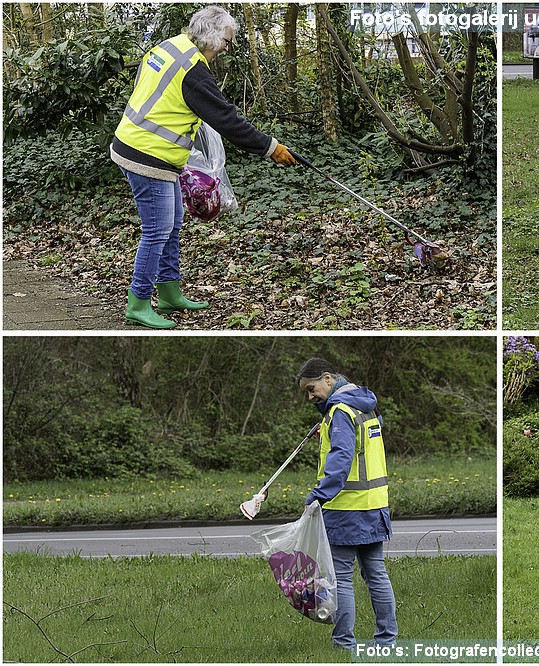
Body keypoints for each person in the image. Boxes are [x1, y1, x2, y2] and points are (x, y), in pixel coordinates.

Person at [111, 5, 297, 329]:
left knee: (173, 223)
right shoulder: (194, 70)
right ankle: (138, 303)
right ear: (211, 36)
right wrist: (270, 147)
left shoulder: (168, 46)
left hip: (146, 148)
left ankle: (169, 292)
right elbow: (226, 119)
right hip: (146, 155)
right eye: (226, 41)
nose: (227, 48)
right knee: (157, 230)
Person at [297, 358, 398, 650]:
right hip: (376, 505)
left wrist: (318, 496)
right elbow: (362, 448)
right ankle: (387, 642)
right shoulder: (363, 405)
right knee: (376, 574)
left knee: (341, 579)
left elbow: (341, 461)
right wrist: (328, 428)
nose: (310, 396)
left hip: (345, 509)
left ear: (328, 379)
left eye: (312, 389)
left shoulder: (340, 412)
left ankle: (344, 645)